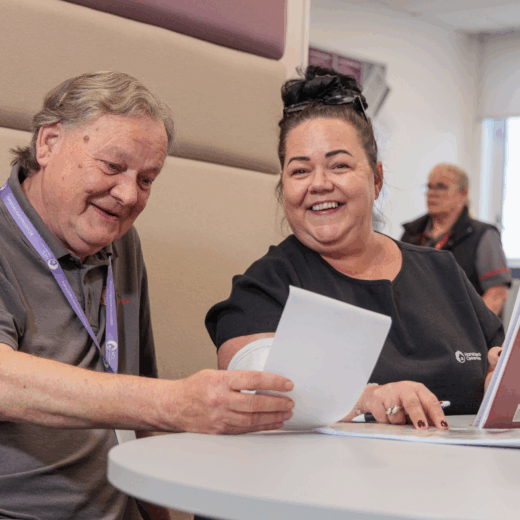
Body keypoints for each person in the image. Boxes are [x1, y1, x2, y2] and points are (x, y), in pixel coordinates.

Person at [0, 71, 295, 520]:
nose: (127, 195)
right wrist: (172, 403)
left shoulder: (119, 242)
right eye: (113, 166)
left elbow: (142, 416)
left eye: (147, 179)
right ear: (48, 143)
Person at [205, 65, 504, 432]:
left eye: (340, 165)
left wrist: (501, 383)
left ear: (376, 180)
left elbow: (500, 364)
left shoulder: (443, 271)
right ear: (284, 188)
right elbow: (253, 385)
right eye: (300, 171)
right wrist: (365, 397)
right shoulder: (267, 285)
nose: (319, 184)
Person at [401, 163, 512, 315]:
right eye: (429, 186)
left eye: (441, 186)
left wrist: (474, 330)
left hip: (465, 331)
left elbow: (497, 293)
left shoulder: (483, 234)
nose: (432, 193)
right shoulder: (412, 233)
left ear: (463, 194)